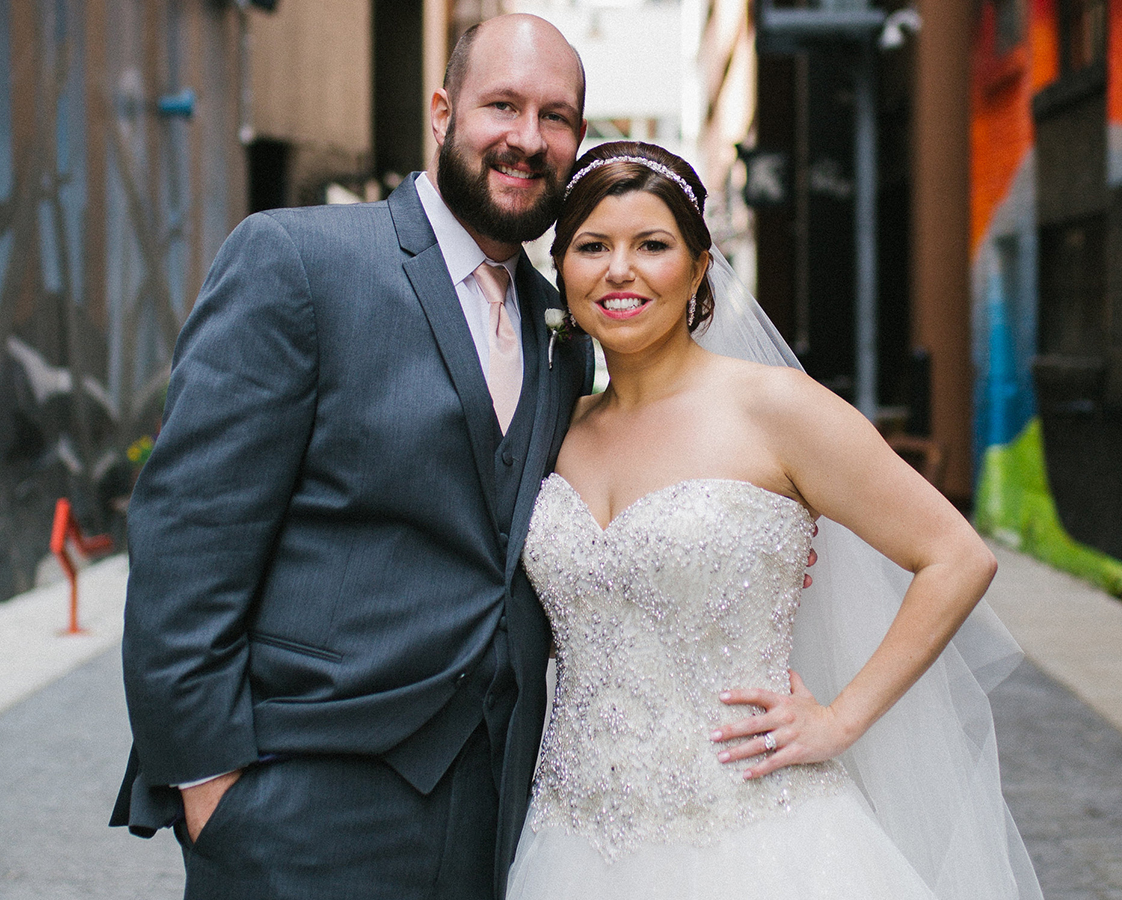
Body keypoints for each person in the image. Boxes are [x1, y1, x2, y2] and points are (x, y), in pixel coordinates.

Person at [110, 15, 593, 900]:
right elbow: (188, 536)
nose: (528, 139)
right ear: (443, 112)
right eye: (504, 106)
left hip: (496, 815)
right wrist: (211, 788)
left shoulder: (566, 330)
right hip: (301, 802)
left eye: (555, 117)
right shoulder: (298, 260)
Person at [505, 142, 1043, 898]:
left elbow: (956, 556)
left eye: (652, 245)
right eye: (593, 247)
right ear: (563, 269)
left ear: (697, 268)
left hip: (755, 835)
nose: (619, 270)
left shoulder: (774, 408)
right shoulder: (555, 427)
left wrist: (841, 720)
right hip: (570, 835)